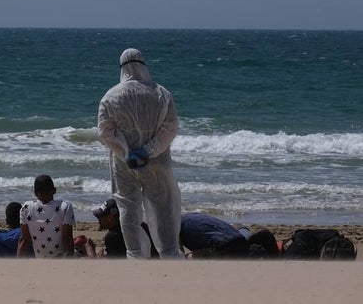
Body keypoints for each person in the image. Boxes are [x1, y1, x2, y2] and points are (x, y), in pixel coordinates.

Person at [97, 48, 185, 259]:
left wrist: (128, 152)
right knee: (162, 208)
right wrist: (148, 150)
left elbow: (105, 132)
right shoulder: (161, 93)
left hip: (124, 164)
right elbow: (170, 128)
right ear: (143, 65)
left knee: (128, 209)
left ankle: (136, 255)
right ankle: (170, 254)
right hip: (156, 162)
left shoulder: (110, 97)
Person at [18, 174, 75, 258]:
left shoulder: (26, 208)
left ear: (35, 193)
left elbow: (25, 240)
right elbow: (67, 238)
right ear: (54, 190)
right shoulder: (65, 207)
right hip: (60, 259)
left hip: (41, 259)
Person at [180, 212, 279, 258]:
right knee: (237, 227)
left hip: (224, 248)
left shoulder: (174, 228)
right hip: (239, 240)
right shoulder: (192, 215)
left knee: (188, 257)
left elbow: (176, 253)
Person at [92, 197, 158, 258]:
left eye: (100, 217)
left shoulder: (112, 237)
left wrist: (92, 253)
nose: (98, 220)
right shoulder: (141, 225)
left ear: (110, 218)